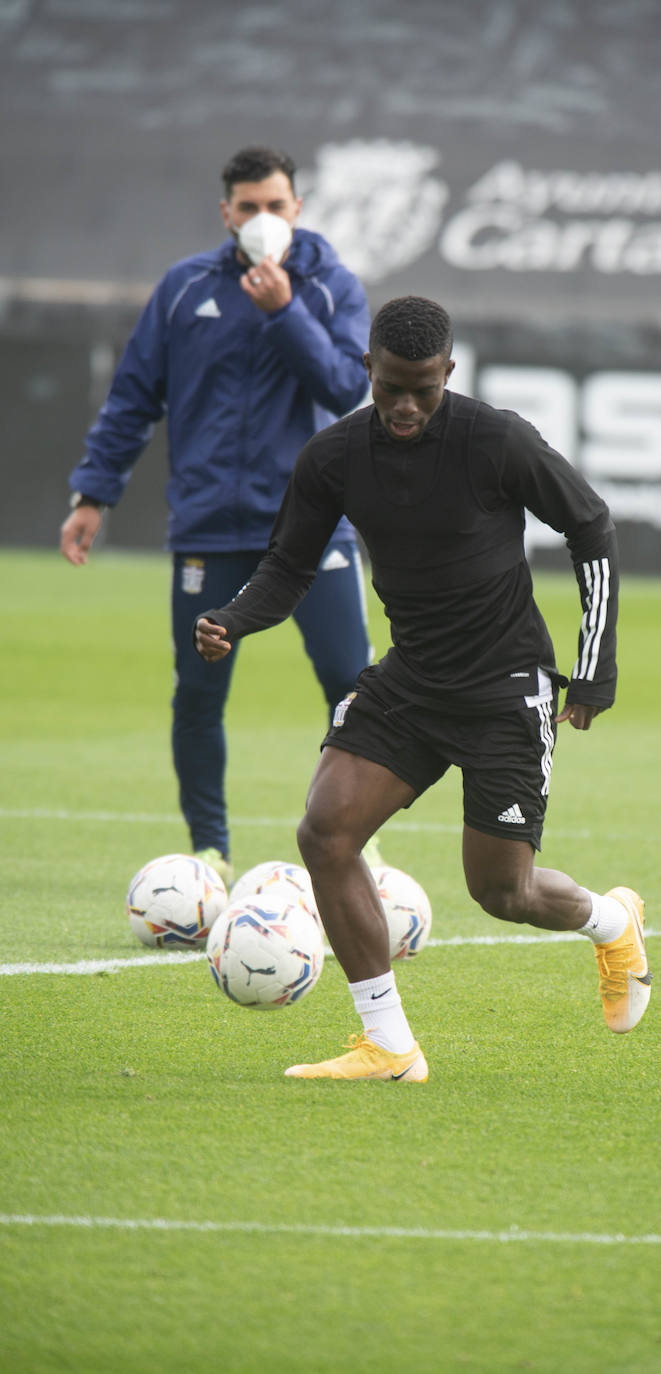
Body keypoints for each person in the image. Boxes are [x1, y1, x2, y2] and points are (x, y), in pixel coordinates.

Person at [195, 296, 651, 1081]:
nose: (405, 406)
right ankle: (389, 1045)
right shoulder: (334, 457)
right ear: (367, 368)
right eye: (390, 388)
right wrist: (233, 619)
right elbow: (289, 566)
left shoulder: (495, 439)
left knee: (502, 893)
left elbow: (590, 526)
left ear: (448, 371)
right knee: (325, 834)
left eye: (423, 389)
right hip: (409, 682)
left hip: (504, 688)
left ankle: (611, 921)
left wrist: (594, 667)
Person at [60, 146, 376, 885]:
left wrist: (285, 311)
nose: (263, 218)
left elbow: (344, 389)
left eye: (275, 205)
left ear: (298, 208)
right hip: (210, 527)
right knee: (199, 694)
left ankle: (357, 839)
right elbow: (133, 396)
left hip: (312, 528)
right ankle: (210, 852)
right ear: (225, 213)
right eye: (248, 207)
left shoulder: (330, 286)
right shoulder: (185, 288)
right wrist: (93, 494)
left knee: (353, 689)